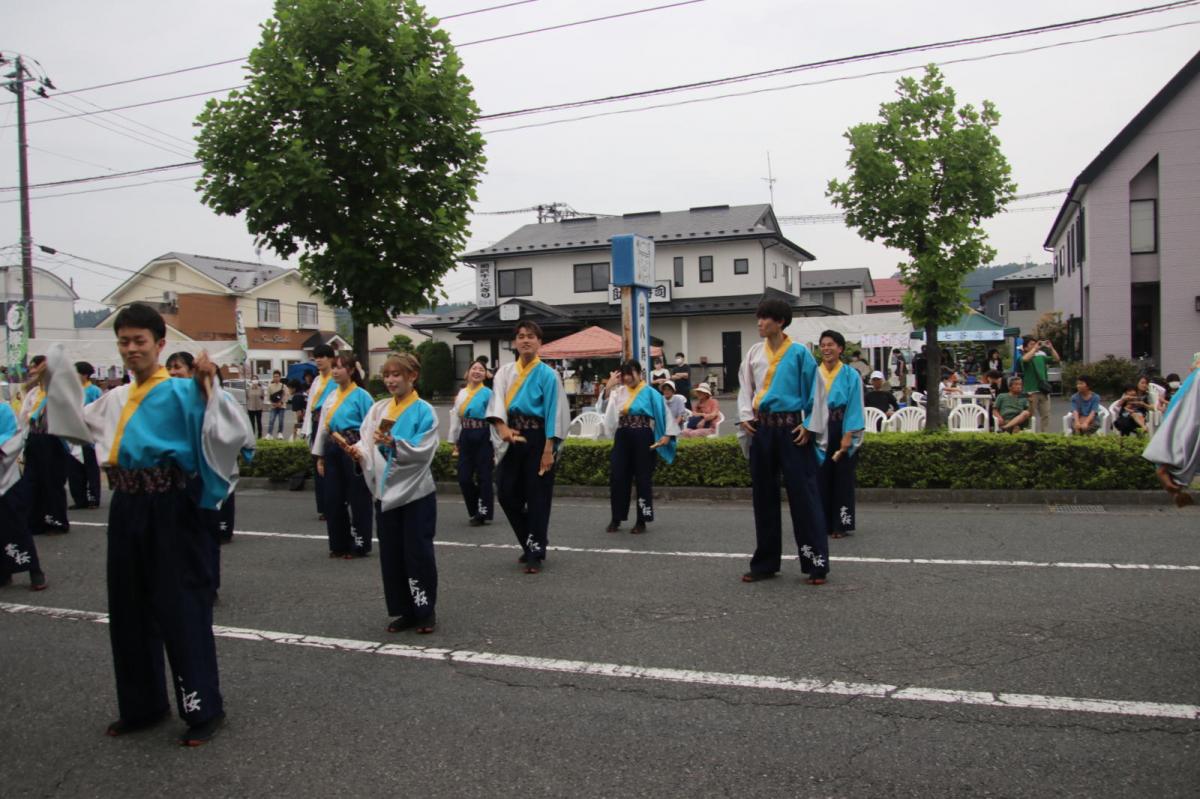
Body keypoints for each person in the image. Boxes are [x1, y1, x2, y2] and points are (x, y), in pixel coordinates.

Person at [48, 302, 253, 746]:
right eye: (124, 341)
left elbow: (231, 431)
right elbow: (75, 426)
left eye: (139, 341)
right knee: (128, 607)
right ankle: (142, 706)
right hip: (127, 504)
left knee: (181, 605)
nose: (131, 349)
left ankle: (203, 707)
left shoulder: (183, 390)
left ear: (159, 344)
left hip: (172, 505)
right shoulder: (115, 398)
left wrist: (209, 387)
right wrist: (55, 379)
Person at [345, 353, 440, 633]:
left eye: (397, 374)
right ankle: (405, 610)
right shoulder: (379, 409)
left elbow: (424, 450)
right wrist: (358, 452)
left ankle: (425, 610)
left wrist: (394, 444)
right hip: (385, 493)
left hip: (416, 492)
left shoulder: (424, 410)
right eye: (387, 375)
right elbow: (366, 441)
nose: (390, 380)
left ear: (412, 376)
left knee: (418, 552)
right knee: (392, 553)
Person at [737, 296, 828, 585]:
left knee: (804, 497)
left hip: (792, 430)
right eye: (759, 317)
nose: (760, 323)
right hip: (762, 429)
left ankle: (815, 563)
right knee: (763, 496)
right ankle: (765, 563)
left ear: (780, 322)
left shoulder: (800, 353)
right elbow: (745, 388)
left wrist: (809, 425)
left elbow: (816, 392)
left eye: (765, 318)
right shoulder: (754, 353)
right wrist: (745, 416)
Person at [486, 320, 569, 575]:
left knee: (537, 498)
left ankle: (535, 553)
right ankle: (533, 540)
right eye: (521, 336)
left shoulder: (548, 374)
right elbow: (496, 402)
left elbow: (555, 412)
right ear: (515, 342)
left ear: (539, 342)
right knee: (506, 493)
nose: (525, 340)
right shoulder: (504, 372)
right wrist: (502, 428)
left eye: (531, 336)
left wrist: (548, 449)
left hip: (538, 438)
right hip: (512, 436)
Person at [167, 352, 236, 592]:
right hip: (173, 477)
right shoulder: (168, 397)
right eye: (169, 368)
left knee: (204, 533)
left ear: (192, 370)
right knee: (177, 534)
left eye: (178, 367)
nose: (173, 372)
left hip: (203, 475)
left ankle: (207, 584)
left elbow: (230, 430)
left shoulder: (213, 397)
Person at [601, 360, 679, 534]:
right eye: (624, 375)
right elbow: (605, 411)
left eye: (631, 374)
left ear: (639, 373)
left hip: (643, 435)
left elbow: (665, 414)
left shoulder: (651, 392)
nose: (627, 378)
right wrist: (608, 388)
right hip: (622, 435)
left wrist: (667, 434)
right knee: (618, 476)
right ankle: (616, 518)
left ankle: (641, 520)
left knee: (643, 478)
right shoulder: (618, 392)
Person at [313, 353, 376, 558]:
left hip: (354, 448)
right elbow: (324, 428)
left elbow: (371, 428)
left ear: (351, 370)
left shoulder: (362, 396)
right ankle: (338, 544)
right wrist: (320, 456)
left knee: (358, 499)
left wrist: (364, 452)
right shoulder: (331, 397)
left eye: (339, 367)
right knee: (333, 498)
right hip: (333, 448)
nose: (335, 371)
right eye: (333, 367)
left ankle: (359, 544)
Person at [816, 331, 866, 539]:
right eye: (823, 345)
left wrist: (849, 434)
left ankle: (841, 524)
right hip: (820, 427)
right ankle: (824, 522)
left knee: (843, 478)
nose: (826, 348)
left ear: (840, 349)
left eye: (831, 345)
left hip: (842, 424)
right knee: (821, 476)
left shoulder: (850, 374)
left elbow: (855, 406)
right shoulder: (814, 374)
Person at [19, 356, 70, 535]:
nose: (32, 371)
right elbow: (24, 416)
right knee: (31, 481)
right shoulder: (34, 393)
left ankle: (56, 521)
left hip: (53, 440)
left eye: (35, 367)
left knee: (52, 481)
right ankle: (34, 521)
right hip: (34, 440)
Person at [1, 399, 48, 590]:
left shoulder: (3, 409)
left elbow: (14, 436)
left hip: (6, 479)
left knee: (16, 525)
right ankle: (3, 572)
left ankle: (34, 570)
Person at [1143, 352, 1199, 507]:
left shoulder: (1192, 381)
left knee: (1177, 449)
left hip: (1182, 422)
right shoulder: (1194, 380)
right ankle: (1175, 488)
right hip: (1187, 422)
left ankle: (1175, 488)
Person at [448, 361, 495, 526]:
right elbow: (456, 416)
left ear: (485, 374)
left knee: (484, 475)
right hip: (466, 434)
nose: (477, 371)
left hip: (483, 434)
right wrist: (454, 439)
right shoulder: (461, 393)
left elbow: (495, 418)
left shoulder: (489, 393)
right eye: (474, 368)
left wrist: (495, 442)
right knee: (464, 478)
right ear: (467, 373)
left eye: (481, 369)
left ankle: (483, 512)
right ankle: (476, 508)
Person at [300, 344, 338, 521]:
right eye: (316, 357)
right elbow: (310, 406)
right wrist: (306, 429)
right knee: (318, 465)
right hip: (316, 423)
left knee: (331, 465)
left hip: (331, 426)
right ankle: (323, 507)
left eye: (322, 357)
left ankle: (334, 505)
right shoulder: (316, 380)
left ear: (331, 359)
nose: (319, 360)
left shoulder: (336, 379)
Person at [67, 361, 103, 509]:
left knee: (91, 468)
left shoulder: (94, 391)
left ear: (85, 375)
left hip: (88, 435)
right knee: (74, 469)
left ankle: (93, 497)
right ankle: (79, 499)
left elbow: (99, 412)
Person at [1020, 336, 1059, 432]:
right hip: (1031, 390)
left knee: (1046, 415)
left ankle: (1044, 434)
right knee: (1029, 415)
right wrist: (1034, 349)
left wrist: (1051, 348)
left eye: (1036, 344)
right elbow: (1025, 359)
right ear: (1025, 348)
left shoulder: (1041, 357)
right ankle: (1028, 432)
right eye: (1031, 344)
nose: (1035, 346)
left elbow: (1056, 359)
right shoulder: (1024, 357)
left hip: (1043, 390)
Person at [266, 370, 286, 439]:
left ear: (280, 377)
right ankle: (269, 434)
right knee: (271, 420)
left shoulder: (283, 386)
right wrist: (272, 403)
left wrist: (281, 402)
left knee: (281, 420)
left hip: (282, 406)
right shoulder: (270, 386)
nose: (276, 378)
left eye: (277, 376)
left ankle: (280, 433)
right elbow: (268, 396)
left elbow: (286, 396)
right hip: (273, 406)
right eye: (274, 377)